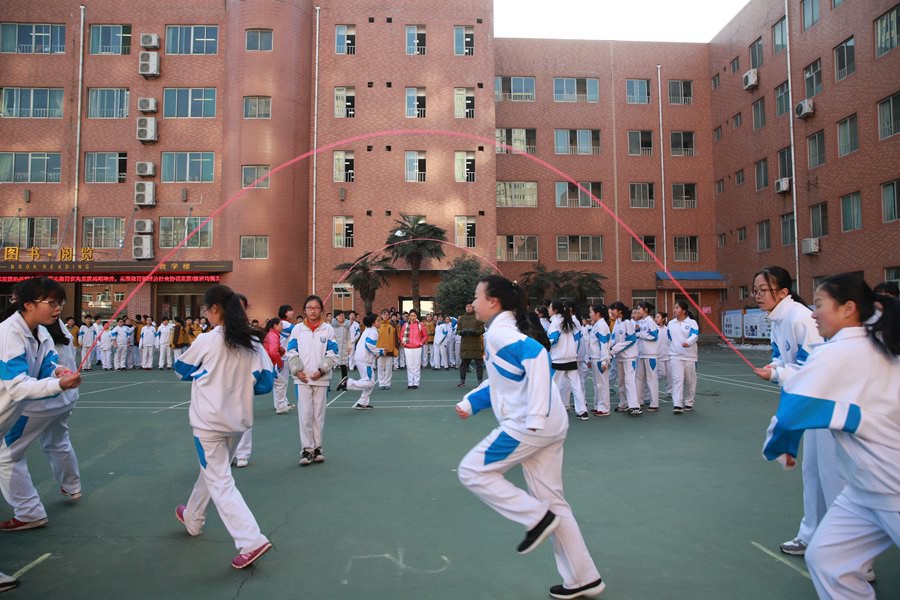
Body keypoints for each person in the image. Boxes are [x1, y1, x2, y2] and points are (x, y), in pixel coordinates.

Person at [455, 276, 605, 600]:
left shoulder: (499, 333)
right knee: (555, 502)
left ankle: (536, 517)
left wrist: (535, 415)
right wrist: (471, 402)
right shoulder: (502, 331)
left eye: (476, 296)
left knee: (472, 470)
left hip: (529, 425)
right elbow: (504, 381)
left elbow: (538, 356)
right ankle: (584, 578)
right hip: (549, 423)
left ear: (493, 301)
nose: (473, 302)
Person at [761, 273, 900, 599]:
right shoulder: (875, 342)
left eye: (820, 304)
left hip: (891, 483)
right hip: (867, 489)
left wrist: (780, 447)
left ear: (848, 308)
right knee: (828, 560)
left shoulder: (840, 351)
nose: (814, 313)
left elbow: (793, 411)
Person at [174, 284, 275, 569]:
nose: (205, 314)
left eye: (206, 310)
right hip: (237, 422)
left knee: (220, 480)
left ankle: (251, 540)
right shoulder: (252, 342)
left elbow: (180, 370)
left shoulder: (207, 340)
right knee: (212, 471)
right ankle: (193, 516)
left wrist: (208, 376)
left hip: (209, 422)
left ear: (215, 309)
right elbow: (266, 383)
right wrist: (239, 385)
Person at [750, 267, 833, 560]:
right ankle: (811, 535)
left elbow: (814, 367)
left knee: (833, 477)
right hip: (808, 405)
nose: (757, 295)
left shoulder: (800, 318)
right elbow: (782, 358)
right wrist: (773, 368)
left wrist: (777, 374)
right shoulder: (778, 320)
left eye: (763, 290)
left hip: (827, 405)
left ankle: (851, 553)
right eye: (755, 290)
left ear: (783, 292)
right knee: (813, 473)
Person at [0, 316, 83, 532]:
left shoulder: (33, 332)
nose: (56, 309)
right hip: (64, 399)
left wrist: (56, 377)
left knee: (7, 454)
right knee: (58, 441)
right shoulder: (53, 331)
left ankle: (29, 511)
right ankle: (72, 486)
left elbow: (22, 381)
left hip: (39, 403)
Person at [285, 295, 338, 466]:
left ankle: (317, 449)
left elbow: (333, 352)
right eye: (310, 308)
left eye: (316, 308)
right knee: (305, 414)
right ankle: (307, 449)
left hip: (321, 379)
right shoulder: (298, 329)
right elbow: (291, 351)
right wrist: (297, 370)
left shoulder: (328, 329)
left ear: (321, 310)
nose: (313, 311)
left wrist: (322, 370)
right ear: (304, 310)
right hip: (302, 379)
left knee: (318, 415)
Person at [548, 301, 588, 421]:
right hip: (571, 358)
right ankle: (582, 411)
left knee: (554, 386)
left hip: (559, 359)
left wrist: (545, 344)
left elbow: (553, 338)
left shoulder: (555, 322)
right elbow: (577, 338)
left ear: (555, 310)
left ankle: (553, 411)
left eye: (550, 307)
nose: (548, 309)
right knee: (576, 385)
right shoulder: (568, 321)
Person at [336, 312, 384, 409]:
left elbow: (368, 345)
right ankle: (348, 383)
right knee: (370, 382)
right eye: (378, 321)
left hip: (361, 358)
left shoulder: (368, 330)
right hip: (364, 360)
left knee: (368, 381)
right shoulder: (373, 332)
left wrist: (376, 353)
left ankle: (363, 402)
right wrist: (380, 351)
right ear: (373, 323)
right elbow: (369, 344)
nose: (380, 322)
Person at [668, 301, 699, 414]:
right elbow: (669, 337)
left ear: (684, 310)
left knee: (690, 381)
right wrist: (674, 348)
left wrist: (688, 342)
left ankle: (689, 402)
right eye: (674, 308)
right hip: (675, 356)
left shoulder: (692, 323)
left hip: (690, 356)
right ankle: (677, 404)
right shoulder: (671, 323)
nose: (674, 310)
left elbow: (694, 335)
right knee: (677, 380)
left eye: (677, 308)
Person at [609, 302, 640, 416]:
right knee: (621, 381)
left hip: (629, 357)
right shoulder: (617, 323)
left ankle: (634, 406)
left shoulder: (628, 323)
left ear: (620, 311)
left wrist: (614, 349)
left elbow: (631, 339)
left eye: (613, 310)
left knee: (629, 381)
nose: (611, 312)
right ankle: (623, 404)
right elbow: (613, 339)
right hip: (620, 357)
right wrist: (608, 349)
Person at [634, 302, 660, 412]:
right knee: (638, 378)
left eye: (639, 309)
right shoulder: (640, 322)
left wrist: (640, 334)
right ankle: (638, 401)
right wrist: (637, 331)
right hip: (641, 354)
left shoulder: (650, 321)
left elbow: (654, 336)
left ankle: (654, 403)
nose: (637, 311)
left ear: (645, 310)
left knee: (651, 379)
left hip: (650, 355)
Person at [587, 304, 611, 417]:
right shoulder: (597, 325)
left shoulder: (601, 325)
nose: (590, 314)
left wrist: (604, 360)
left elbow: (603, 343)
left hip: (600, 359)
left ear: (597, 314)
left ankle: (604, 408)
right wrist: (589, 358)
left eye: (591, 312)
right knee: (597, 384)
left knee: (602, 384)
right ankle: (598, 405)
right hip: (595, 358)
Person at [457, 303, 486, 387]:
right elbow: (458, 330)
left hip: (476, 345)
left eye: (470, 306)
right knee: (463, 365)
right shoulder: (462, 318)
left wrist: (474, 332)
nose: (468, 308)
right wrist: (462, 332)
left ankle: (480, 382)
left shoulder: (479, 317)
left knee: (479, 365)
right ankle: (462, 381)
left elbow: (482, 330)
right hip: (465, 345)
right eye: (467, 306)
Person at [399, 309, 427, 389]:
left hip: (417, 347)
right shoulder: (405, 325)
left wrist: (420, 343)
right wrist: (404, 343)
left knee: (417, 365)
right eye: (411, 316)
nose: (413, 317)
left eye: (414, 315)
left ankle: (416, 383)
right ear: (409, 317)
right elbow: (401, 335)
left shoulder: (420, 325)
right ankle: (410, 383)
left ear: (416, 316)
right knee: (409, 365)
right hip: (408, 347)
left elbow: (425, 336)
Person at [376, 309, 398, 390]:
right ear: (381, 315)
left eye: (387, 314)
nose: (385, 316)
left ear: (389, 315)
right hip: (380, 349)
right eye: (384, 314)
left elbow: (395, 338)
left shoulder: (392, 325)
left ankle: (387, 383)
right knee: (380, 367)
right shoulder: (378, 325)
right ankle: (381, 383)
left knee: (388, 367)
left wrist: (395, 349)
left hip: (389, 349)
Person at [654, 312, 671, 398]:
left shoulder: (667, 329)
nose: (656, 319)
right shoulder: (654, 329)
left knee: (670, 375)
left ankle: (670, 392)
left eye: (658, 317)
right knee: (661, 374)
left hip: (668, 355)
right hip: (658, 356)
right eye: (655, 317)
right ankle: (652, 388)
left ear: (663, 319)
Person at [333, 311, 350, 381]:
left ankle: (344, 382)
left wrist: (349, 347)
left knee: (343, 365)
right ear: (336, 317)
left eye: (343, 315)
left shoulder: (346, 326)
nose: (341, 317)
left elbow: (349, 337)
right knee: (330, 365)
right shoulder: (332, 326)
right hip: (334, 348)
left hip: (344, 348)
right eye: (339, 315)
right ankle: (328, 383)